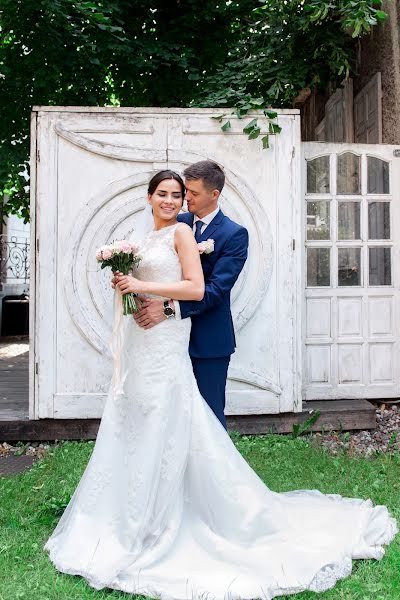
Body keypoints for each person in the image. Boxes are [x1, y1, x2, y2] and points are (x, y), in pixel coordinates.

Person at [44, 170, 397, 600]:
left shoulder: (229, 234)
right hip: (150, 341)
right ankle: (134, 508)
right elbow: (151, 278)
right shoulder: (168, 228)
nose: (179, 200)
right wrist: (130, 291)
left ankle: (208, 511)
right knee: (152, 420)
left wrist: (162, 305)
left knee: (202, 423)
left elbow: (209, 290)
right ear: (151, 197)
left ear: (212, 194)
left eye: (186, 193)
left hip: (195, 337)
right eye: (171, 193)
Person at [133, 160, 248, 429]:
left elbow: (216, 290)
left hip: (208, 339)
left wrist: (170, 309)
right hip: (167, 341)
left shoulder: (234, 234)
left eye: (192, 193)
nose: (185, 198)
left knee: (208, 416)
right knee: (170, 413)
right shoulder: (177, 223)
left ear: (214, 194)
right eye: (186, 191)